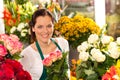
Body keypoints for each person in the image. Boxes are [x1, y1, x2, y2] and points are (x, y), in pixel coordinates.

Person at [19, 9, 69, 80]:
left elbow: (67, 72)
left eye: (49, 26)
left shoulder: (63, 44)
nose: (45, 31)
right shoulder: (27, 54)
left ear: (53, 26)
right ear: (33, 28)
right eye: (40, 27)